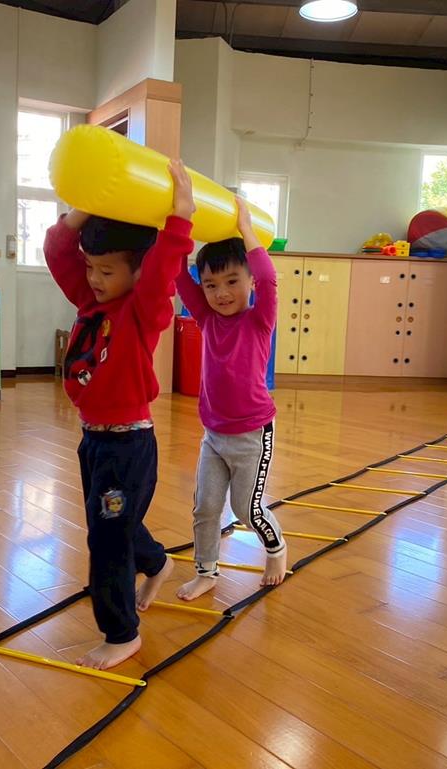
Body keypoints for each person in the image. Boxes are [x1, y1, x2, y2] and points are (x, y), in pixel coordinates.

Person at [44, 160, 196, 669]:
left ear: (136, 272)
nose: (94, 278)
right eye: (91, 267)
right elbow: (57, 251)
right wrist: (86, 205)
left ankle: (121, 633)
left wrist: (180, 219)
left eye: (107, 270)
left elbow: (162, 271)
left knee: (106, 538)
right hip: (94, 441)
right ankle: (157, 563)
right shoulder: (91, 300)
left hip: (129, 445)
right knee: (113, 522)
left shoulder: (141, 310)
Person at [174, 198, 287, 601]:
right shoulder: (205, 319)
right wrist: (179, 223)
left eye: (232, 281)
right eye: (211, 285)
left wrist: (247, 231)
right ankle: (206, 571)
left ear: (250, 281)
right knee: (204, 506)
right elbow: (179, 276)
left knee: (246, 510)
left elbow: (269, 279)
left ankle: (276, 550)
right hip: (213, 435)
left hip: (253, 435)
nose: (221, 293)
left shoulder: (259, 320)